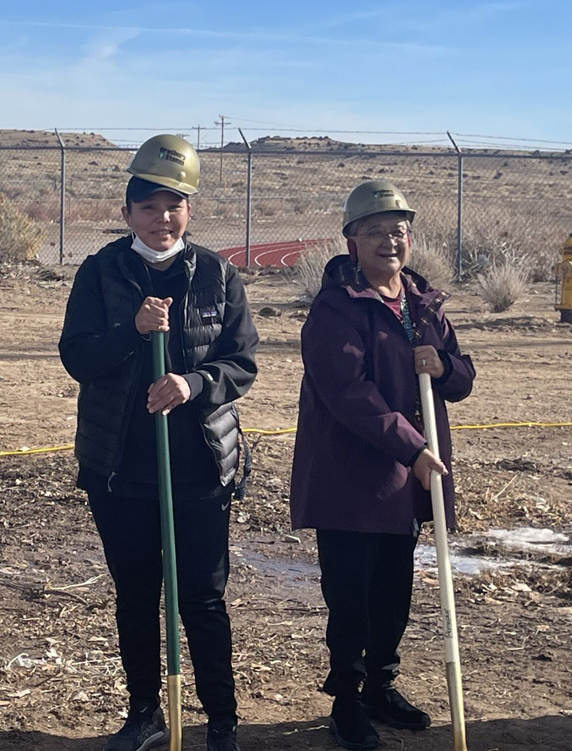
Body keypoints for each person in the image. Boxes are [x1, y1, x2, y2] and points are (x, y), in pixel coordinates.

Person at [59, 135, 259, 751]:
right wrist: (132, 330)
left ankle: (220, 718)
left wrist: (193, 383)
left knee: (202, 596)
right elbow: (77, 357)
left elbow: (243, 362)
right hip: (121, 468)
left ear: (189, 211)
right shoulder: (101, 271)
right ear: (127, 214)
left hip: (198, 466)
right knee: (138, 595)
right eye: (149, 206)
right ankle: (145, 710)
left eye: (174, 205)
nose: (162, 217)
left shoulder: (219, 274)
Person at [289, 180, 475, 750]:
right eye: (375, 233)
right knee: (351, 597)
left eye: (398, 232)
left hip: (409, 480)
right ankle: (347, 697)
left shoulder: (423, 303)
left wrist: (442, 365)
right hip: (352, 480)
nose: (389, 243)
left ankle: (379, 686)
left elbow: (463, 379)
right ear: (350, 241)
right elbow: (349, 394)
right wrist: (414, 450)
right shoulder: (335, 309)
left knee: (394, 593)